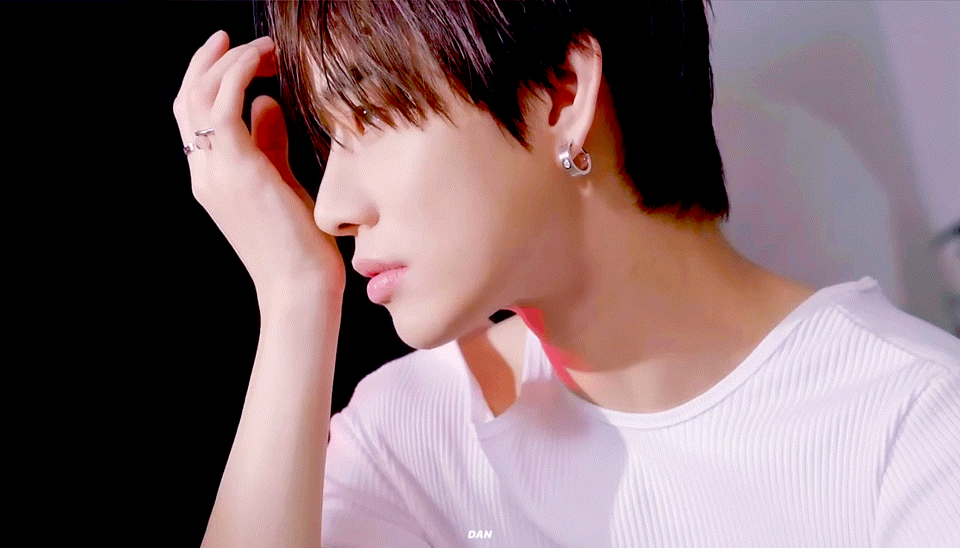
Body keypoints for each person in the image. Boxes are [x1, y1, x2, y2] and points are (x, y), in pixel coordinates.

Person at [174, 1, 960, 547]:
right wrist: (295, 300)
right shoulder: (411, 437)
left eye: (371, 118)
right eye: (328, 140)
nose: (331, 209)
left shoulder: (911, 424)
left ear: (562, 93)